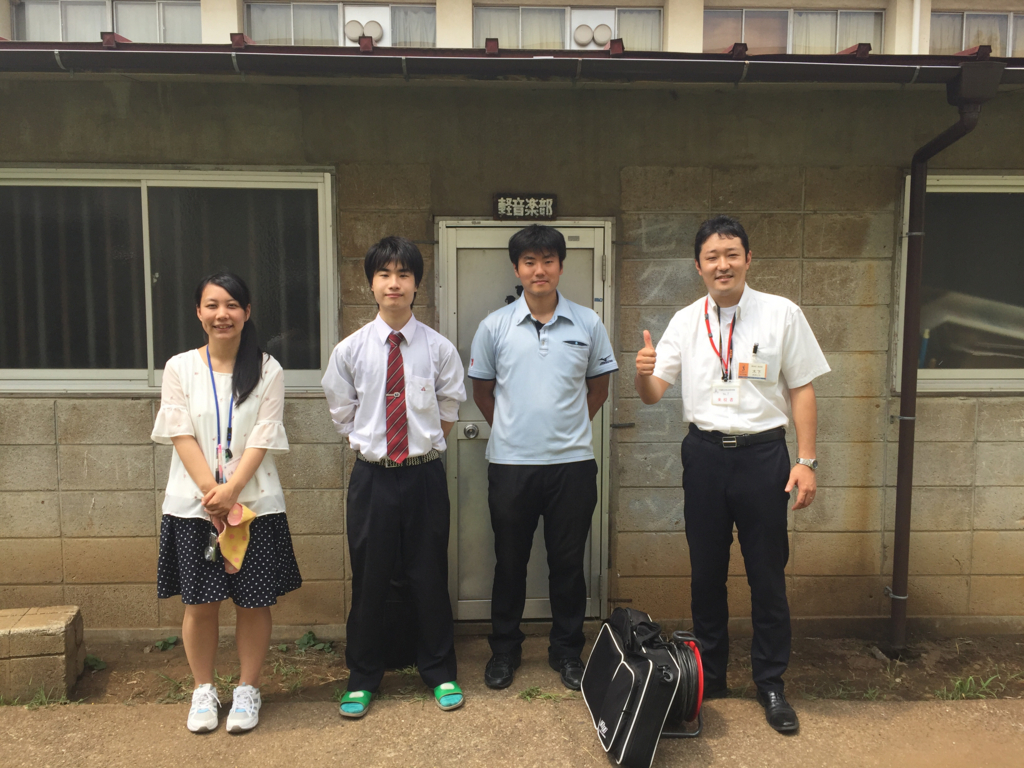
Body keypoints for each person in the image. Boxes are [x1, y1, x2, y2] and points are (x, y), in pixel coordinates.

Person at [633, 215, 830, 734]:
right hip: (703, 456)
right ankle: (711, 678)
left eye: (731, 254)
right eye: (712, 257)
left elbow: (802, 388)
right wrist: (642, 373)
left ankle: (770, 682)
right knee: (706, 573)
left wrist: (806, 461)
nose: (723, 264)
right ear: (698, 266)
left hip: (764, 456)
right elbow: (653, 394)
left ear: (748, 259)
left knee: (767, 574)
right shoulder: (685, 321)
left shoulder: (782, 314)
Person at [322, 236, 467, 717]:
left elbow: (448, 409)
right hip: (373, 479)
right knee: (370, 578)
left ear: (416, 284)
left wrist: (419, 448)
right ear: (371, 283)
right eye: (384, 274)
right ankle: (363, 676)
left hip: (424, 477)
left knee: (429, 574)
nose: (394, 283)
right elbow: (342, 412)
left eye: (404, 274)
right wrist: (376, 449)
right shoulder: (350, 350)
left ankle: (439, 671)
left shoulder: (439, 348)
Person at [470, 224, 618, 691]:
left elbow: (599, 388)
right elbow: (482, 391)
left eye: (548, 261)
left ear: (560, 266)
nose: (540, 270)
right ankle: (504, 650)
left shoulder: (588, 324)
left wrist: (567, 428)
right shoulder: (494, 326)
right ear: (517, 269)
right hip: (510, 466)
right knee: (509, 562)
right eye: (530, 262)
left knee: (568, 564)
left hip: (572, 466)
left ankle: (567, 651)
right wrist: (513, 430)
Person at [153, 272, 301, 734]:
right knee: (200, 603)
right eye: (213, 305)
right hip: (193, 508)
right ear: (199, 312)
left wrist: (232, 490)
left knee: (253, 602)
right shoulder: (179, 368)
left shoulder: (268, 368)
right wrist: (212, 495)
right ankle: (203, 689)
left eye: (232, 305)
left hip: (254, 506)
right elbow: (179, 431)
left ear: (247, 312)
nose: (223, 314)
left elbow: (264, 435)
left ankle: (247, 689)